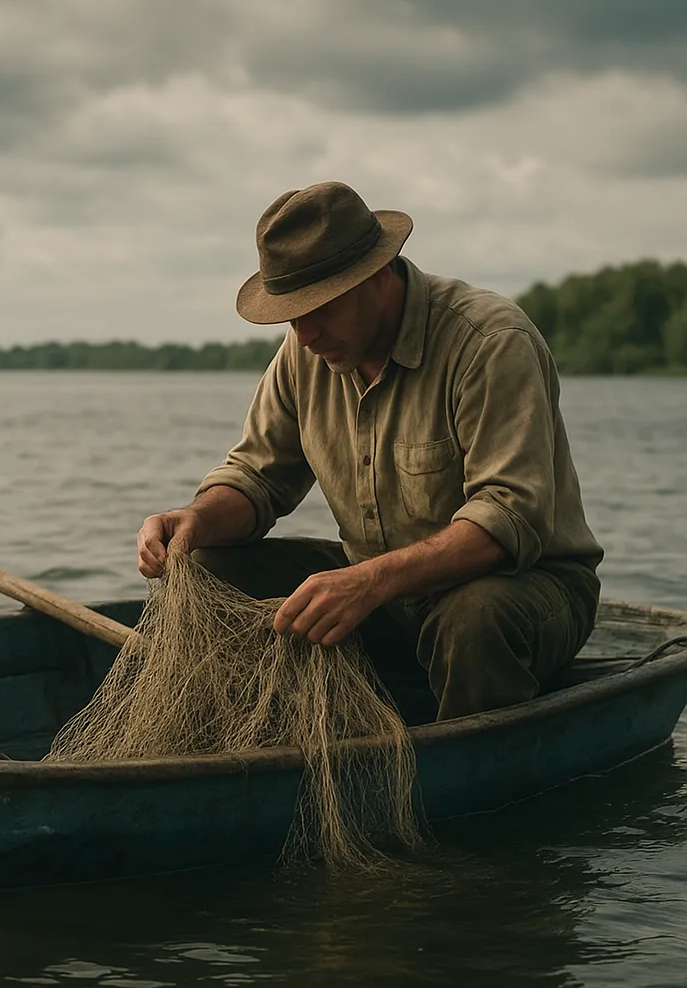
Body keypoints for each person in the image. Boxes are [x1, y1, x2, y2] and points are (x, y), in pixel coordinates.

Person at [136, 181, 603, 722]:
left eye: (321, 308)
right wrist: (193, 520)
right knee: (209, 565)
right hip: (384, 598)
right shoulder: (305, 351)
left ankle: (470, 773)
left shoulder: (489, 342)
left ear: (380, 275)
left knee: (473, 618)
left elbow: (509, 518)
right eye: (292, 313)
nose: (305, 333)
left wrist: (367, 583)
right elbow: (255, 478)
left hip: (528, 593)